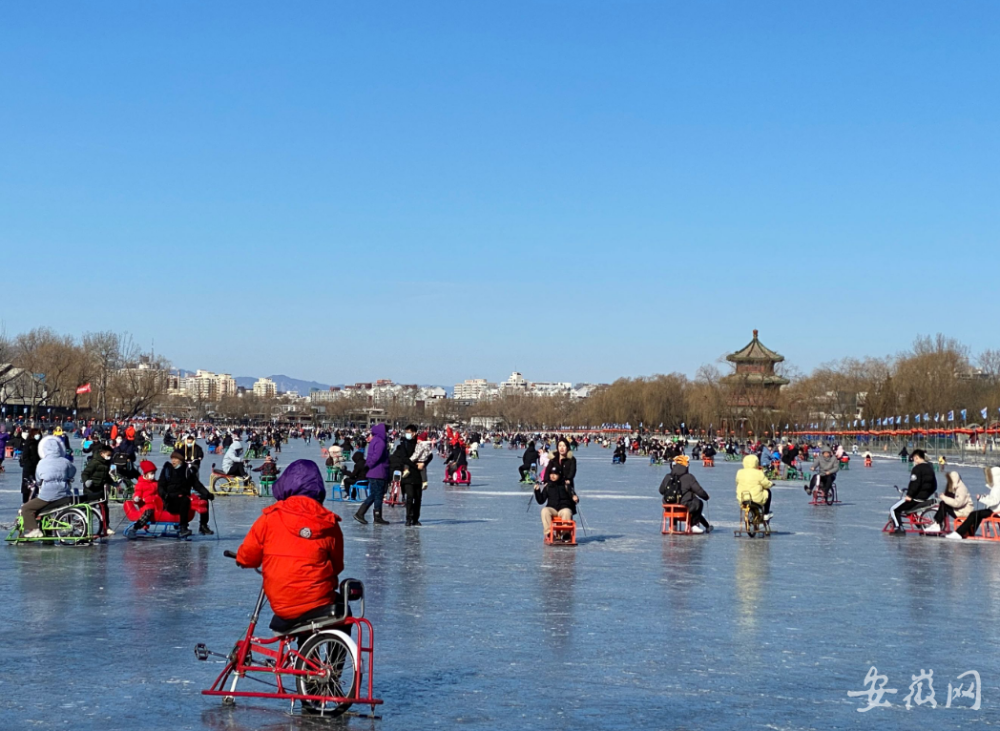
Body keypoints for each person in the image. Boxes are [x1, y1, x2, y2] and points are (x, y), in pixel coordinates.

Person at [235, 460, 346, 631]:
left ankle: (305, 653)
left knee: (299, 610)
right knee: (343, 609)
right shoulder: (329, 522)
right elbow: (337, 565)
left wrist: (241, 559)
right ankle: (334, 656)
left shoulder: (270, 517)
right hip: (318, 598)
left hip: (282, 601)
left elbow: (249, 554)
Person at [19, 435, 76, 538]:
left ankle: (35, 530)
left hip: (48, 495)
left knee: (26, 508)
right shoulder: (65, 461)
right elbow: (73, 472)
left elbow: (38, 479)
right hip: (64, 492)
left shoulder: (42, 463)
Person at [158, 450, 215, 538]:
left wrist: (207, 494)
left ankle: (203, 525)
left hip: (185, 498)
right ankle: (183, 528)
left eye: (176, 459)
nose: (173, 461)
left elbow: (197, 485)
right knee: (184, 500)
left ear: (181, 460)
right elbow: (161, 485)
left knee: (203, 499)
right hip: (171, 500)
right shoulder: (167, 470)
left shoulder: (187, 471)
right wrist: (164, 494)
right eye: (172, 458)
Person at [888, 449, 937, 535]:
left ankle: (899, 528)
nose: (913, 461)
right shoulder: (930, 467)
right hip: (925, 497)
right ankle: (919, 526)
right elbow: (934, 485)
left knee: (894, 509)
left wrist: (909, 495)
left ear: (917, 457)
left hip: (916, 498)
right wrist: (927, 494)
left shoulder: (917, 469)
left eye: (914, 458)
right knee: (912, 511)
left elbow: (915, 483)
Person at [659, 455, 711, 533]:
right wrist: (706, 497)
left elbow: (661, 490)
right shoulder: (689, 477)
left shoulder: (668, 476)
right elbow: (699, 491)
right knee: (698, 503)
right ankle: (693, 525)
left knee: (675, 503)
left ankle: (673, 525)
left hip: (668, 505)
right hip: (684, 505)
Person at [533, 452, 578, 539]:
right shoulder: (548, 486)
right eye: (551, 474)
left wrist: (575, 498)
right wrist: (537, 491)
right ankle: (549, 532)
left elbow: (573, 496)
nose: (553, 476)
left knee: (567, 512)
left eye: (555, 474)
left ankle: (565, 533)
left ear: (559, 475)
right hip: (552, 508)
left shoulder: (565, 485)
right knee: (545, 511)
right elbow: (541, 500)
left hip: (563, 508)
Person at [948, 467, 1000, 540]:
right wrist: (985, 497)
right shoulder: (997, 486)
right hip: (995, 510)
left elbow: (994, 501)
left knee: (975, 514)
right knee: (977, 514)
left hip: (996, 512)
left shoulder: (998, 487)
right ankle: (970, 532)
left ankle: (959, 533)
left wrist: (981, 498)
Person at [353, 424, 389, 525]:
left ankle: (363, 513)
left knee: (374, 494)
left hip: (373, 472)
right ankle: (375, 516)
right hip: (378, 471)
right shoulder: (381, 442)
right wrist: (370, 465)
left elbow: (371, 455)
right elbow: (376, 457)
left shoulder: (374, 440)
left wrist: (368, 465)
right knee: (377, 495)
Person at [735, 454, 773, 520]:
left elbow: (737, 482)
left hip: (742, 498)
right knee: (768, 492)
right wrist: (771, 484)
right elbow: (766, 484)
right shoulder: (759, 473)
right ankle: (766, 513)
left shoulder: (739, 472)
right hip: (756, 498)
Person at [20, 428, 42, 503]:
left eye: (39, 434)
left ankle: (34, 501)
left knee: (37, 486)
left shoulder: (41, 443)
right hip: (29, 468)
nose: (38, 435)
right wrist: (29, 464)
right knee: (27, 486)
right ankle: (25, 502)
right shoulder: (28, 443)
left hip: (38, 467)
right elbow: (25, 455)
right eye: (36, 434)